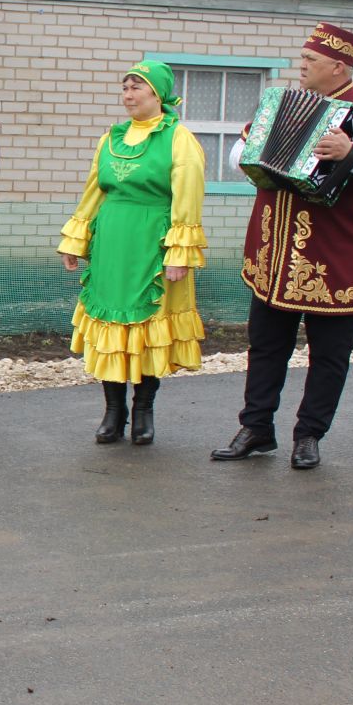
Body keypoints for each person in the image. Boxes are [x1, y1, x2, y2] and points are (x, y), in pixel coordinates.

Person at [212, 23, 353, 470]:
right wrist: (254, 149)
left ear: (337, 66)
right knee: (265, 345)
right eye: (302, 59)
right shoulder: (279, 103)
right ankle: (256, 427)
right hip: (275, 252)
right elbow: (236, 159)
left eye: (310, 61)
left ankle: (309, 435)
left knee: (329, 354)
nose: (300, 67)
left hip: (334, 259)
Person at [57, 61, 208, 445]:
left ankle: (143, 410)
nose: (128, 94)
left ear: (157, 94)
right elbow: (95, 190)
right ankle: (113, 410)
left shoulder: (179, 139)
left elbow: (187, 199)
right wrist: (76, 239)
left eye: (137, 87)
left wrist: (178, 253)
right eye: (125, 87)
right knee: (108, 324)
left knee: (147, 326)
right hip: (111, 243)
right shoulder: (111, 138)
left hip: (151, 244)